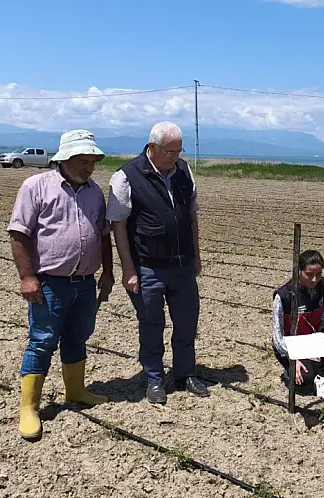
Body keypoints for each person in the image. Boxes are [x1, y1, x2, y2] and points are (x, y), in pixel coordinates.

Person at [7, 129, 114, 441]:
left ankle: (77, 391)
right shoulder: (36, 186)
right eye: (83, 160)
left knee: (78, 337)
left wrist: (107, 272)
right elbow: (18, 235)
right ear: (64, 159)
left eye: (93, 160)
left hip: (84, 282)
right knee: (42, 340)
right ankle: (29, 407)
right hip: (49, 282)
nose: (89, 166)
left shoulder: (95, 192)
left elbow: (103, 234)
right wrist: (27, 278)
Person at [106, 121, 207, 405]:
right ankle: (153, 378)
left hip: (183, 265)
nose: (176, 156)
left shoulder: (184, 171)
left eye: (179, 150)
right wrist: (128, 269)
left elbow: (192, 215)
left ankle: (185, 373)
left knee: (187, 323)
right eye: (170, 151)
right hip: (148, 266)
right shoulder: (126, 177)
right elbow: (118, 225)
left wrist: (196, 255)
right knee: (151, 324)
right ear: (152, 148)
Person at [272, 250, 324, 400]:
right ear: (299, 271)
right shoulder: (284, 296)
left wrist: (322, 323)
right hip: (291, 344)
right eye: (309, 275)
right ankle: (292, 370)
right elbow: (277, 337)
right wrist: (293, 359)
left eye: (319, 274)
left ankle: (321, 377)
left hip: (310, 336)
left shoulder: (323, 286)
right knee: (303, 381)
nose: (315, 279)